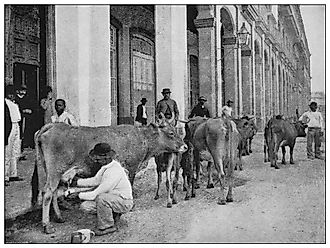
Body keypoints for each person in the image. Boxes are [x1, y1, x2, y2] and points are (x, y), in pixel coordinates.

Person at [66, 143, 133, 236]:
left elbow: (96, 193)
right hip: (113, 198)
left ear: (105, 157)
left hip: (124, 202)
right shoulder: (106, 167)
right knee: (86, 206)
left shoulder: (114, 171)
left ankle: (107, 226)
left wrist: (78, 195)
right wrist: (78, 182)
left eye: (98, 159)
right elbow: (95, 180)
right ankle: (112, 215)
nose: (96, 161)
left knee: (101, 198)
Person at [5, 85, 24, 186]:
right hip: (10, 125)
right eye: (11, 94)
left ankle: (13, 173)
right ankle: (5, 176)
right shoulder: (5, 103)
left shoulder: (14, 103)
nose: (13, 96)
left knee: (15, 151)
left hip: (16, 124)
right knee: (8, 151)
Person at [15, 85, 36, 150]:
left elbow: (32, 107)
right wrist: (22, 110)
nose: (23, 92)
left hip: (27, 118)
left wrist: (30, 110)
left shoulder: (28, 98)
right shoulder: (16, 98)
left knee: (26, 130)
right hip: (19, 118)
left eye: (24, 91)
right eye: (22, 90)